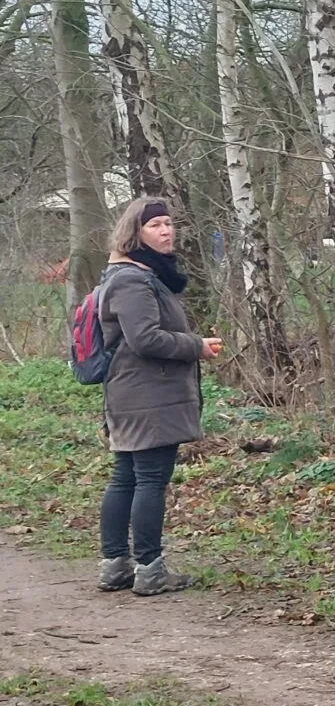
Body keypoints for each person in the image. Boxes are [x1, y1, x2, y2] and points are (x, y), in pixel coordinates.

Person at [93, 197, 217, 597]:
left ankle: (116, 565)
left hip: (137, 391)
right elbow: (144, 339)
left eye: (168, 223)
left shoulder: (138, 275)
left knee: (128, 477)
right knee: (147, 479)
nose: (166, 231)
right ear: (135, 233)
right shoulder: (131, 279)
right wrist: (195, 345)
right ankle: (149, 568)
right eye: (155, 225)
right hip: (146, 394)